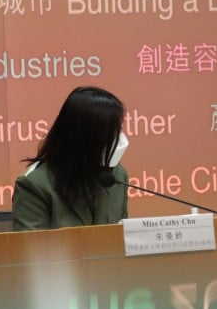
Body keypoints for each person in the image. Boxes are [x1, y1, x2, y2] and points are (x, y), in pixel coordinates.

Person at [12, 86, 129, 230]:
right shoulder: (34, 185)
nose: (118, 138)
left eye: (118, 130)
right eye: (110, 132)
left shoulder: (116, 176)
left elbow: (123, 237)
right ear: (84, 136)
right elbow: (30, 249)